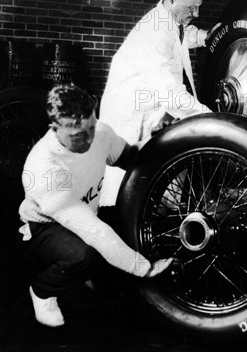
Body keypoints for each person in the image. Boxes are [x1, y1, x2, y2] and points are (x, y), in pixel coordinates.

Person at [18, 84, 172, 328]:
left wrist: (158, 138)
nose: (89, 139)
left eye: (91, 128)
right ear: (54, 128)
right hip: (44, 230)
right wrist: (144, 268)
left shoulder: (100, 133)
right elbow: (94, 232)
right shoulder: (44, 167)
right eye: (79, 136)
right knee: (85, 255)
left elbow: (132, 158)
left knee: (124, 247)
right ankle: (42, 291)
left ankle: (91, 274)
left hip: (89, 216)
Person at [99, 0, 220, 207]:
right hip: (131, 121)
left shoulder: (166, 18)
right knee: (123, 192)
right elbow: (170, 93)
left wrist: (205, 36)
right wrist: (210, 118)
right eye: (191, 8)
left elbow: (183, 35)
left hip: (146, 114)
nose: (197, 13)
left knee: (146, 185)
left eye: (199, 7)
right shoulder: (154, 33)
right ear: (172, 0)